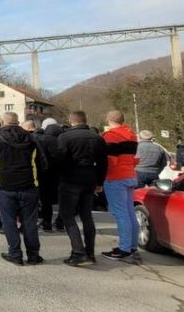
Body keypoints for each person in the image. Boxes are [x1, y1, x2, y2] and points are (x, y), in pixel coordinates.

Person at [0, 112, 46, 266]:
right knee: (30, 222)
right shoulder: (31, 138)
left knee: (9, 222)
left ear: (2, 122)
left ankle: (15, 254)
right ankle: (33, 255)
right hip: (29, 186)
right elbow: (43, 163)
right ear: (17, 122)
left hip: (4, 186)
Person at [56, 111, 107, 266]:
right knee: (87, 216)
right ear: (85, 120)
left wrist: (59, 177)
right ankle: (90, 252)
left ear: (71, 121)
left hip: (70, 179)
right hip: (90, 178)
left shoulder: (65, 137)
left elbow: (60, 160)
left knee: (67, 216)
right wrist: (100, 182)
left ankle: (78, 252)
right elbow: (103, 163)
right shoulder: (97, 138)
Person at [101, 110, 141, 262]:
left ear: (108, 119)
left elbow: (110, 160)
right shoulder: (131, 134)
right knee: (130, 213)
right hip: (130, 175)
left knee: (121, 214)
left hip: (115, 177)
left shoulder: (111, 136)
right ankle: (132, 246)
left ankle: (124, 248)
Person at [34, 117, 63, 232]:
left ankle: (47, 222)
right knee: (63, 200)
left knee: (46, 200)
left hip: (45, 174)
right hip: (62, 174)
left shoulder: (42, 139)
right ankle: (60, 222)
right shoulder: (64, 139)